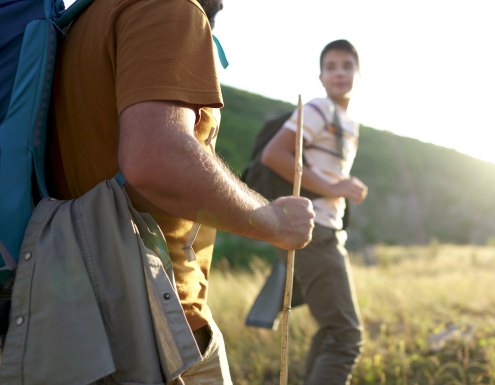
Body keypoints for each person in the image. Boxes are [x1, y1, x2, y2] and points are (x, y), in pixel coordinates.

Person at [47, 0, 314, 383]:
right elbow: (156, 157)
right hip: (159, 322)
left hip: (72, 309)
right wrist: (273, 220)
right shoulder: (170, 8)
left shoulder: (81, 21)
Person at [260, 39, 368, 385]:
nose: (339, 72)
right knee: (346, 336)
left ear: (357, 73)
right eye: (332, 66)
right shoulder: (320, 109)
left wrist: (342, 184)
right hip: (315, 230)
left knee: (331, 331)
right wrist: (336, 188)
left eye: (347, 66)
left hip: (326, 230)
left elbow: (320, 170)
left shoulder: (349, 123)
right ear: (320, 76)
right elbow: (273, 155)